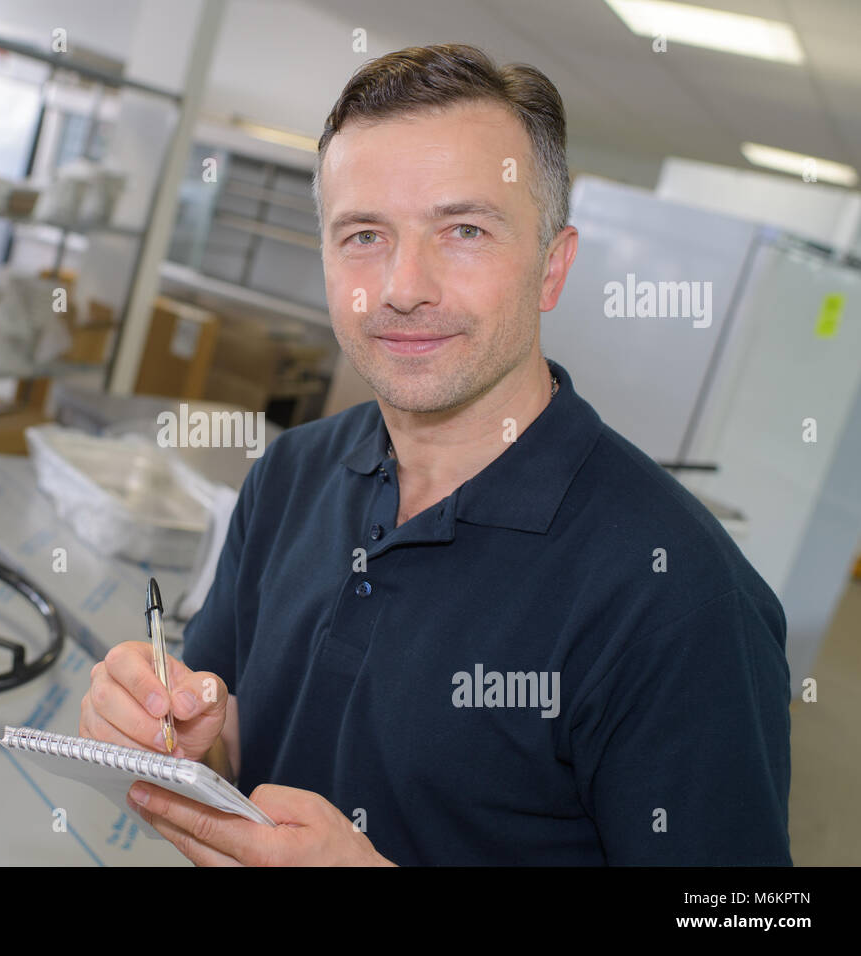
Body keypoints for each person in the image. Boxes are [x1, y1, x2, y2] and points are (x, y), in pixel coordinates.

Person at [79, 44, 792, 866]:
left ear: (551, 268)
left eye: (463, 230)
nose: (403, 285)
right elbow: (234, 749)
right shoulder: (290, 475)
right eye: (364, 235)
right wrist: (176, 737)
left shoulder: (681, 599)